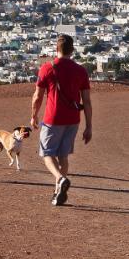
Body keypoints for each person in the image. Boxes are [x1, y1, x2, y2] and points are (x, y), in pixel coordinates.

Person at [29, 33, 91, 206]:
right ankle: (58, 193)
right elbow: (86, 101)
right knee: (63, 156)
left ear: (56, 49)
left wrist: (34, 115)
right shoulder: (81, 71)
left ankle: (60, 178)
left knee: (47, 153)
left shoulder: (47, 68)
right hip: (73, 119)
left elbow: (37, 96)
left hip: (53, 118)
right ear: (72, 50)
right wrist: (89, 126)